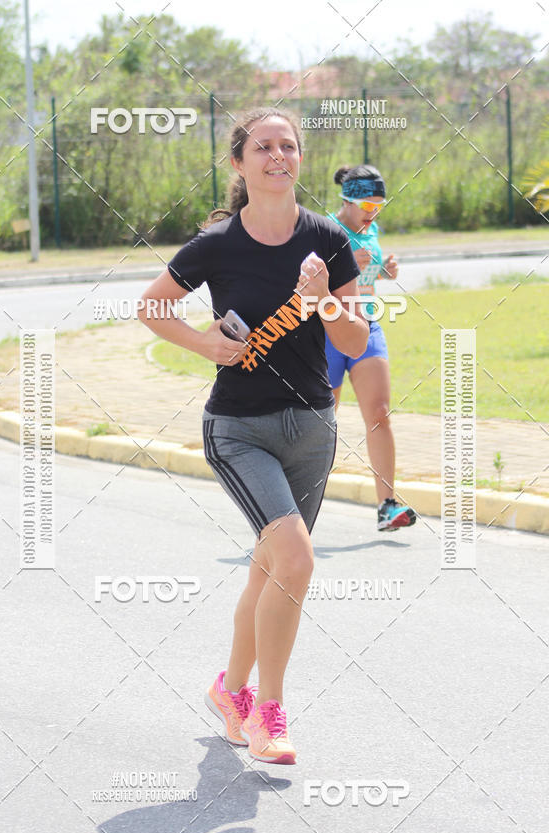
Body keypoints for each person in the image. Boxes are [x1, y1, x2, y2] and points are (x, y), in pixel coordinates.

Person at [139, 107, 368, 764]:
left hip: (312, 428)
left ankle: (229, 691)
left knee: (272, 570)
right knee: (295, 560)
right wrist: (203, 343)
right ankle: (270, 713)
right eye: (263, 147)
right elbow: (152, 305)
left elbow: (354, 339)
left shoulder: (328, 238)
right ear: (239, 163)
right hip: (238, 428)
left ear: (300, 159)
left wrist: (324, 300)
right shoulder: (216, 244)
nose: (277, 156)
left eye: (288, 146)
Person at [325, 164, 416, 532]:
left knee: (379, 413)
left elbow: (369, 274)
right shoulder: (325, 230)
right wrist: (342, 262)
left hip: (368, 326)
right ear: (347, 200)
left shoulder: (372, 228)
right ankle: (291, 505)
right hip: (330, 331)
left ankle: (387, 507)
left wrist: (385, 270)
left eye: (379, 205)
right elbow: (305, 283)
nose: (373, 212)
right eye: (367, 205)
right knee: (321, 420)